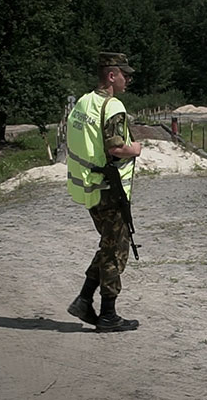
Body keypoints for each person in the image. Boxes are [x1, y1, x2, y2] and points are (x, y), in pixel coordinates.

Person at [65, 52, 142, 332]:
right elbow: (116, 148)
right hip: (111, 190)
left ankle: (84, 300)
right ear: (112, 75)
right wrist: (136, 148)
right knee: (115, 253)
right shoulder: (113, 107)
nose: (128, 79)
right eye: (125, 73)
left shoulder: (85, 103)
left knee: (107, 245)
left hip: (92, 189)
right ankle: (108, 314)